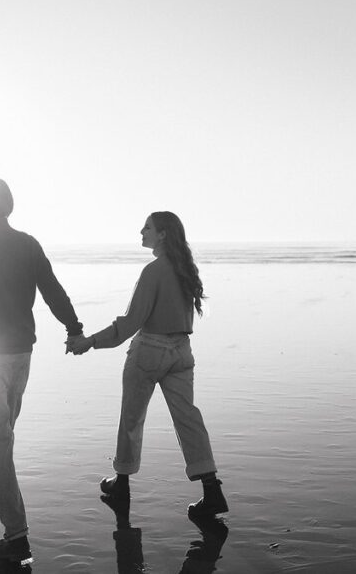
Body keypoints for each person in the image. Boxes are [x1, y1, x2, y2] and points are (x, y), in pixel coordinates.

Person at [0, 177, 85, 565]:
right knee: (1, 437)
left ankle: (18, 534)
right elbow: (53, 290)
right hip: (20, 353)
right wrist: (73, 328)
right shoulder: (28, 244)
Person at [70, 211, 228, 517]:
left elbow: (131, 322)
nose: (141, 231)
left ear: (163, 234)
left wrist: (89, 341)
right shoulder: (186, 270)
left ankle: (122, 485)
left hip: (150, 352)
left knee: (132, 417)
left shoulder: (153, 271)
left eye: (148, 227)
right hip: (181, 352)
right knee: (188, 419)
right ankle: (212, 489)